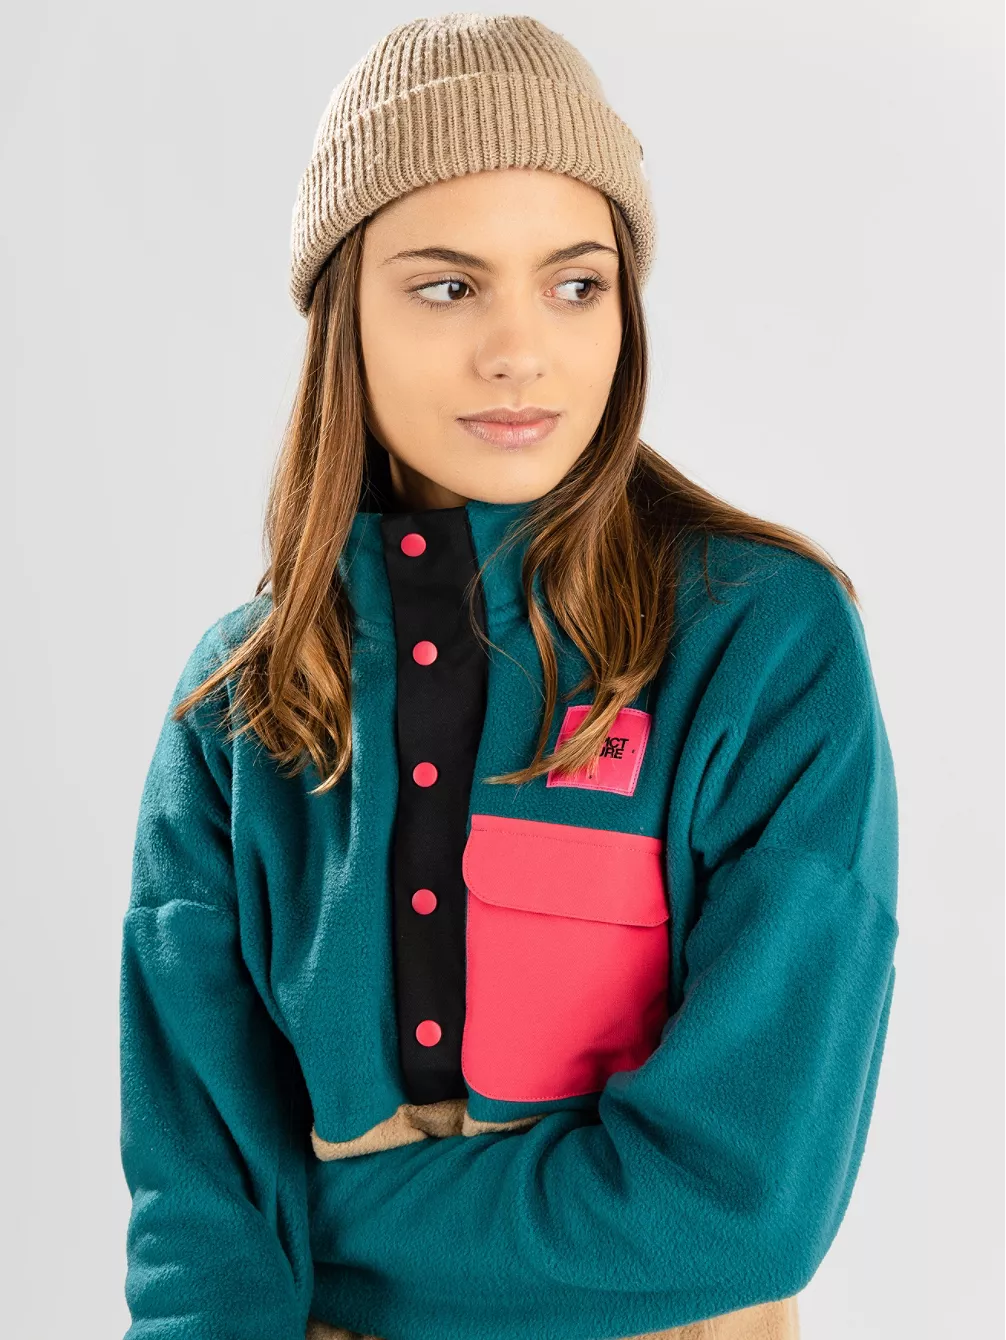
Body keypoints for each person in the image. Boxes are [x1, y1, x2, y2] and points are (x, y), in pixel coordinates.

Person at [118, 13, 899, 1340]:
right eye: (447, 286)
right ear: (344, 315)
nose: (519, 350)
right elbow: (199, 1236)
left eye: (575, 284)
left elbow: (737, 1206)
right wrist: (252, 1236)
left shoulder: (763, 643)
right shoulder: (238, 709)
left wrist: (315, 1223)